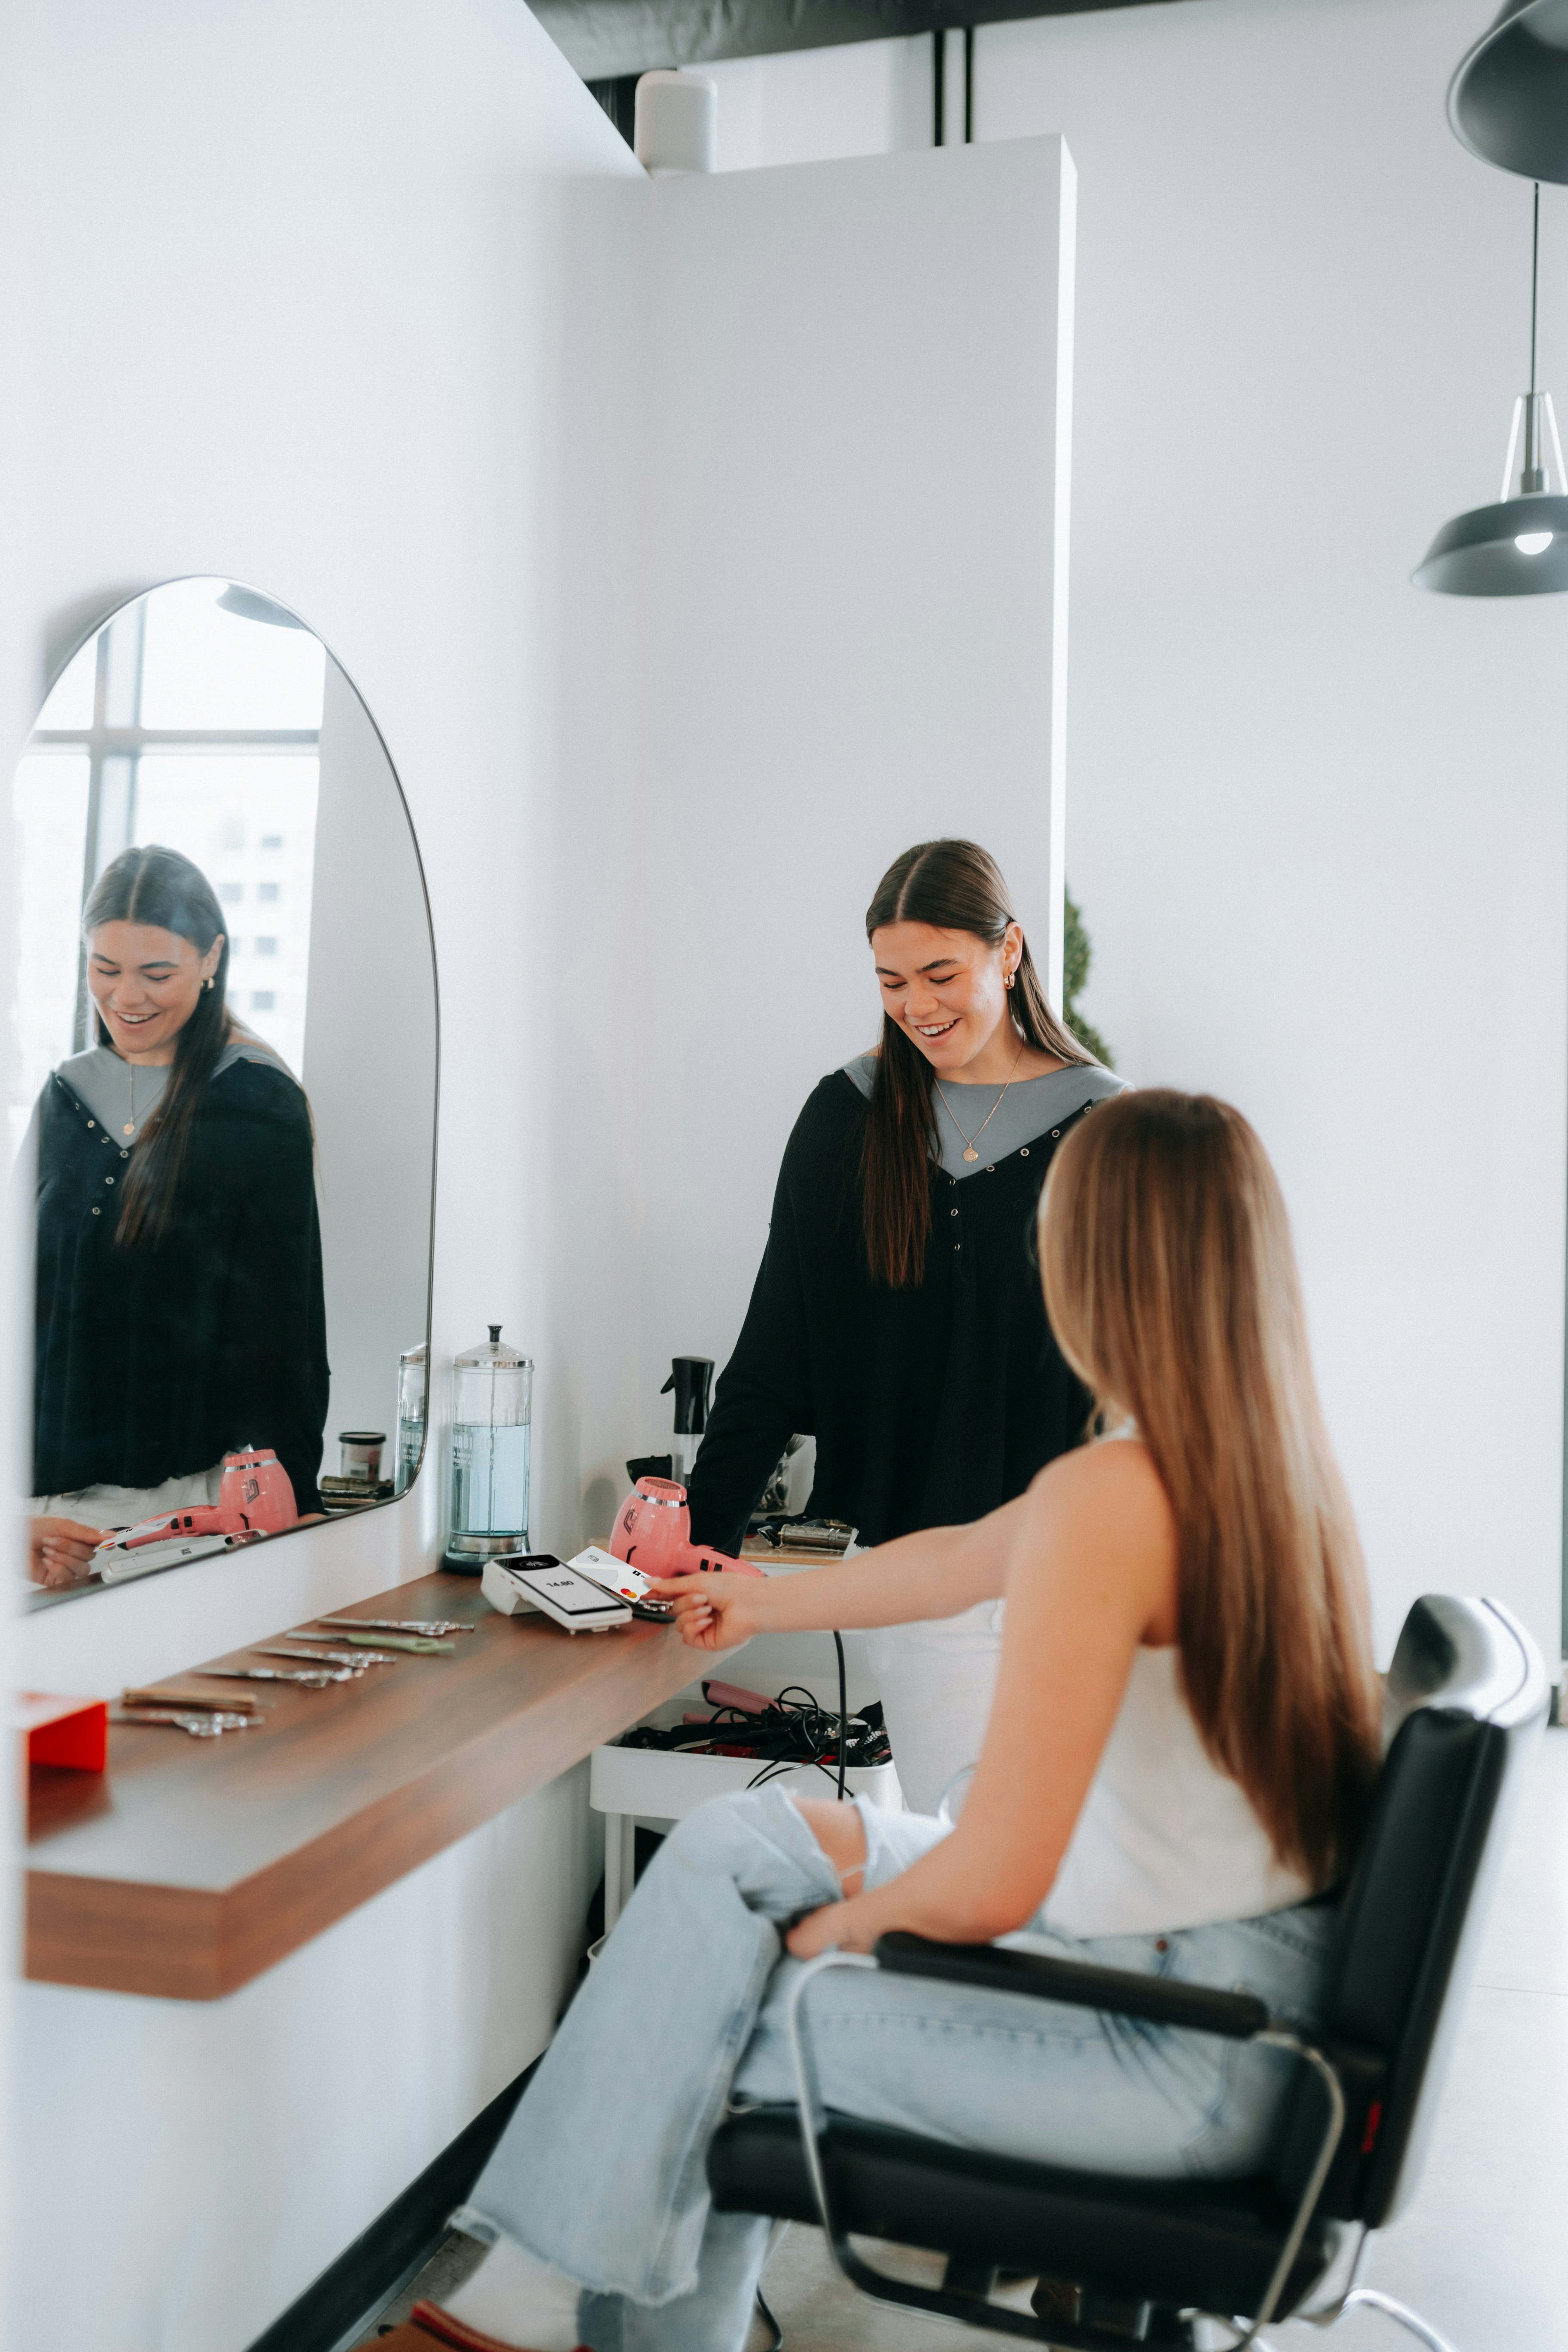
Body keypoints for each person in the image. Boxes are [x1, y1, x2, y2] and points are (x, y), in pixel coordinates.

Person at [383, 1089, 1382, 2352]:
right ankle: (535, 2307)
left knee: (720, 2014)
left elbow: (995, 1872)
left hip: (1173, 2044)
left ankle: (526, 2311)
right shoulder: (1258, 1465)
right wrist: (762, 1596)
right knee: (735, 1847)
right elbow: (961, 1556)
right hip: (1234, 2009)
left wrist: (828, 1940)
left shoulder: (1119, 1499)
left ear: (1099, 1266)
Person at [685, 837, 1124, 1810]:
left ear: (1008, 952)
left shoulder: (1103, 1128)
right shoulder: (845, 1116)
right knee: (958, 1844)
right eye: (891, 982)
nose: (917, 1005)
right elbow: (772, 1351)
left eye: (940, 974)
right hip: (917, 1589)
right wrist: (701, 1541)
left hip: (1072, 1574)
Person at [27, 843, 329, 1584]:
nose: (126, 996)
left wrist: (288, 1501)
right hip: (41, 1518)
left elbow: (284, 1333)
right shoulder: (64, 1097)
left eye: (157, 973)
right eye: (105, 968)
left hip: (185, 1511)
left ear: (211, 957)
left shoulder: (256, 1101)